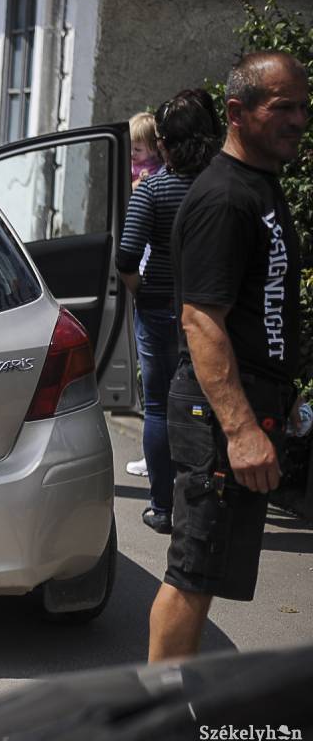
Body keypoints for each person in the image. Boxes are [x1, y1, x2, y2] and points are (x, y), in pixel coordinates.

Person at [148, 52, 308, 662]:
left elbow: (260, 308)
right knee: (191, 572)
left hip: (247, 403)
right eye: (282, 106)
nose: (298, 119)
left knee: (206, 574)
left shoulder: (261, 186)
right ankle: (158, 720)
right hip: (217, 416)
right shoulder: (222, 199)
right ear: (238, 113)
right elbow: (200, 320)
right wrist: (240, 430)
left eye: (303, 105)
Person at [116, 89, 223, 534]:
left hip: (160, 309)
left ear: (165, 145)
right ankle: (209, 507)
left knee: (158, 406)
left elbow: (125, 257)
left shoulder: (153, 191)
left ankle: (162, 508)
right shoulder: (222, 189)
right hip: (214, 313)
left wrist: (142, 292)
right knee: (211, 404)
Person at [129, 111, 165, 190]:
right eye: (128, 147)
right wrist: (139, 181)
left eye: (137, 150)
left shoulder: (159, 168)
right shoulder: (129, 166)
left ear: (153, 149)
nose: (131, 153)